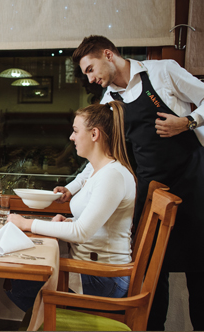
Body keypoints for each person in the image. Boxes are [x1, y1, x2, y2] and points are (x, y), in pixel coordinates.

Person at [65, 35, 204, 331]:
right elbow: (104, 155)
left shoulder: (163, 71)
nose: (90, 78)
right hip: (150, 191)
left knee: (199, 268)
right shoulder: (108, 102)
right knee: (153, 273)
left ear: (108, 54)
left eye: (91, 69)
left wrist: (188, 121)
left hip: (193, 183)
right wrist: (73, 187)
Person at [7, 101, 136, 311]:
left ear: (94, 134)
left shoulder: (112, 176)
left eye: (75, 131)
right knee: (21, 271)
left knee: (22, 276)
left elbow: (81, 233)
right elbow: (90, 223)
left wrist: (26, 223)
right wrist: (69, 221)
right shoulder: (98, 172)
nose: (71, 137)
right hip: (92, 269)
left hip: (103, 279)